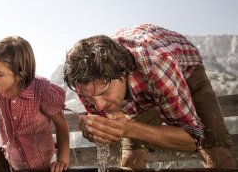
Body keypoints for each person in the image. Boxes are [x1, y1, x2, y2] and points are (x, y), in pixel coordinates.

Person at [63, 24, 236, 169]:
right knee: (131, 159)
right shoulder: (87, 84)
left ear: (123, 70)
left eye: (104, 93)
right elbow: (112, 139)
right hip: (138, 82)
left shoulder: (157, 63)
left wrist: (129, 128)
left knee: (217, 153)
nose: (98, 106)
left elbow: (194, 138)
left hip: (185, 68)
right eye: (90, 98)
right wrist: (99, 132)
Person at [0, 36, 70, 172]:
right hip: (10, 162)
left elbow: (60, 123)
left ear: (19, 76)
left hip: (44, 162)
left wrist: (62, 159)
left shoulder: (41, 90)